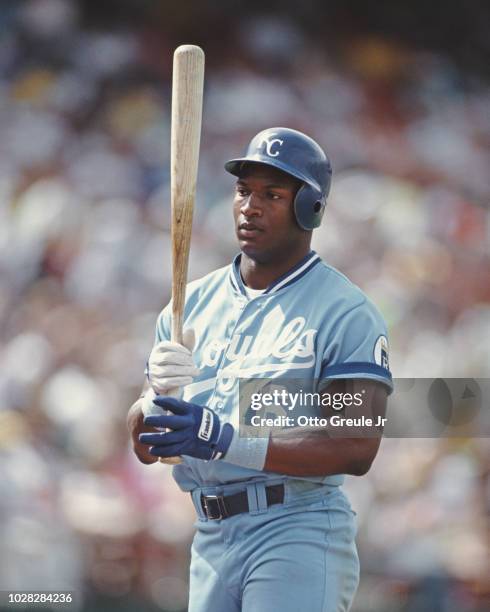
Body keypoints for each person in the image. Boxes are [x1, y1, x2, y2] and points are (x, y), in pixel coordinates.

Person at [127, 127, 393, 612]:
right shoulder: (190, 303)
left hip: (296, 527)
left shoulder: (344, 311)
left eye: (272, 194)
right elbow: (148, 448)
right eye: (244, 190)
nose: (251, 206)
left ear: (309, 207)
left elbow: (355, 446)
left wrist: (224, 439)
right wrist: (152, 402)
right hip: (208, 533)